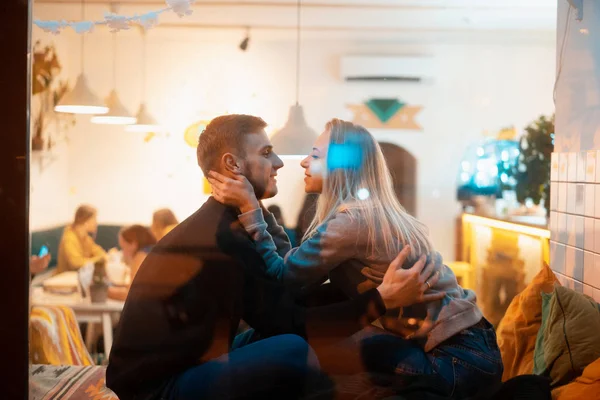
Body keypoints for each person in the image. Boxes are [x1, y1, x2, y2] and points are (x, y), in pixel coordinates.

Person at [106, 114, 445, 400]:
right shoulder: (223, 236)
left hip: (190, 362)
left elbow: (288, 297)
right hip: (154, 389)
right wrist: (379, 301)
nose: (280, 162)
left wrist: (366, 295)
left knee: (282, 340)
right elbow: (290, 322)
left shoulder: (231, 221)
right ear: (232, 165)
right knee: (291, 348)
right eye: (267, 152)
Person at [208, 118, 503, 398]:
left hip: (455, 362)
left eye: (316, 155)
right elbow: (292, 266)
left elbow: (283, 277)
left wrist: (250, 211)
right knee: (302, 333)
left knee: (305, 343)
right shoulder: (370, 214)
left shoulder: (353, 223)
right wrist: (258, 207)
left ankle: (210, 376)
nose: (303, 162)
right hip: (477, 350)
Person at [107, 225, 156, 301]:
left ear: (133, 244)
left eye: (123, 247)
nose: (123, 253)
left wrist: (105, 292)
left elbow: (132, 296)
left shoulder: (141, 257)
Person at [56, 205, 106, 274]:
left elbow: (99, 252)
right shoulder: (69, 238)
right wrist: (99, 259)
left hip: (79, 276)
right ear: (85, 221)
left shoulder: (85, 238)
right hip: (64, 278)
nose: (96, 223)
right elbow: (76, 264)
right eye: (94, 219)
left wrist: (104, 257)